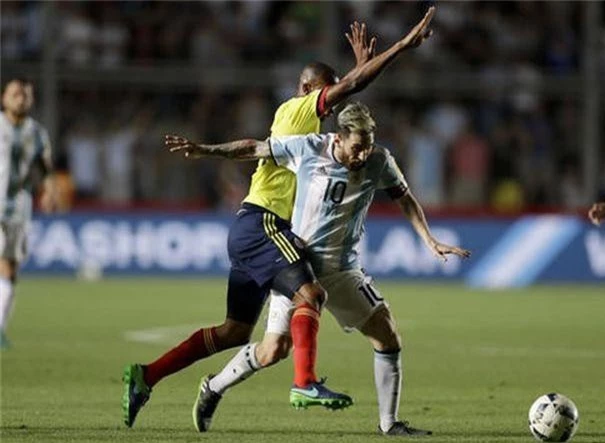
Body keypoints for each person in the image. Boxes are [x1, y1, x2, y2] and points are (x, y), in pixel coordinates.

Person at [124, 7, 437, 428]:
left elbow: (345, 93)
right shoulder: (297, 110)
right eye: (326, 95)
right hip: (265, 225)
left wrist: (360, 69)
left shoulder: (311, 129)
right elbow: (343, 91)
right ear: (306, 88)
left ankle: (149, 376)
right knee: (312, 294)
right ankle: (305, 384)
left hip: (259, 231)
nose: (329, 107)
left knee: (238, 334)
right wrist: (399, 47)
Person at [166, 102, 470, 436]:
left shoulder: (380, 160)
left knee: (387, 334)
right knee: (272, 352)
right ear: (338, 138)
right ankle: (214, 387)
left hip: (342, 270)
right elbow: (254, 148)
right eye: (357, 147)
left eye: (367, 146)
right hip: (298, 268)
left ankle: (390, 424)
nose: (362, 155)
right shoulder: (308, 148)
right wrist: (206, 150)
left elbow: (405, 198)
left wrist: (429, 239)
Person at [0, 78, 56, 349]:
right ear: (4, 99)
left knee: (10, 272)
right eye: (14, 94)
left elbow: (44, 168)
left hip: (19, 209)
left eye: (23, 94)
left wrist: (49, 191)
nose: (19, 98)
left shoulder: (36, 133)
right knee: (3, 264)